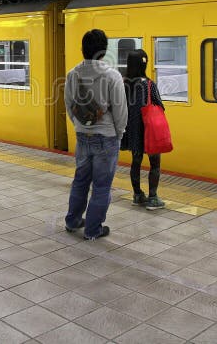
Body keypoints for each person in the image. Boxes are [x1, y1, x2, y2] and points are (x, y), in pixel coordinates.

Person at [64, 29, 128, 240]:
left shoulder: (73, 74)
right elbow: (120, 110)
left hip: (82, 136)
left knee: (80, 180)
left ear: (82, 49)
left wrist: (80, 125)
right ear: (104, 50)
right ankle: (93, 229)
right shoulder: (112, 75)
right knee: (101, 185)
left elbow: (69, 105)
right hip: (106, 137)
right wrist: (119, 134)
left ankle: (73, 221)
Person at [121, 49, 166, 210]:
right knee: (155, 164)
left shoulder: (123, 83)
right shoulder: (148, 84)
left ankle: (137, 195)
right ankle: (153, 198)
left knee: (136, 162)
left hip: (132, 129)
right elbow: (160, 105)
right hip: (149, 130)